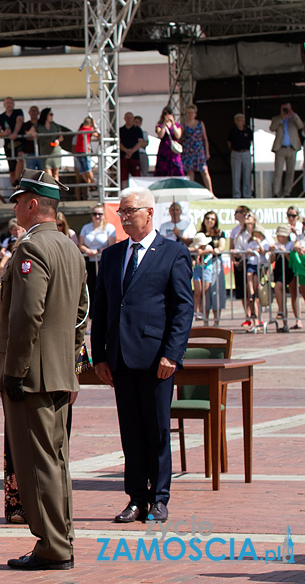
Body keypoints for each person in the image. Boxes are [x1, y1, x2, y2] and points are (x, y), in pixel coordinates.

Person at [0, 169, 87, 571]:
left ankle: (52, 546)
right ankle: (59, 536)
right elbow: (82, 312)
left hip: (33, 375)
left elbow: (27, 314)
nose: (14, 207)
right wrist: (70, 358)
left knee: (37, 461)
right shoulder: (69, 247)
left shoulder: (31, 249)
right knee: (56, 459)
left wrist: (15, 371)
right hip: (60, 371)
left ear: (33, 203)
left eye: (17, 201)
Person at [91, 187, 193, 525]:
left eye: (129, 211)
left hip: (156, 359)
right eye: (120, 212)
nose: (123, 217)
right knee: (131, 432)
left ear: (149, 213)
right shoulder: (112, 255)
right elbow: (102, 308)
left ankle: (159, 498)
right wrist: (99, 356)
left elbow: (182, 308)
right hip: (120, 359)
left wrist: (172, 354)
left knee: (157, 431)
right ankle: (136, 498)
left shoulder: (173, 253)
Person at [78, 204, 116, 304]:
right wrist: (87, 251)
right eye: (95, 214)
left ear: (104, 215)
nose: (97, 216)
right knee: (90, 285)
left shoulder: (109, 228)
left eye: (100, 214)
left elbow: (112, 246)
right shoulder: (86, 227)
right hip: (88, 261)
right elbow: (80, 244)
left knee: (103, 284)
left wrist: (98, 251)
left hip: (103, 261)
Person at [196, 211, 226, 325]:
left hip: (215, 262)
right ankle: (205, 320)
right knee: (205, 292)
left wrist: (217, 250)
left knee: (216, 290)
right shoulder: (200, 234)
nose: (210, 221)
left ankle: (216, 321)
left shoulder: (220, 233)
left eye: (213, 219)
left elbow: (222, 246)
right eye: (208, 218)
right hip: (202, 264)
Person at [269, 102, 304, 197]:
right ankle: (276, 192)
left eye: (287, 109)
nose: (286, 111)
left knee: (290, 171)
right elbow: (272, 128)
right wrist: (282, 118)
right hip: (280, 148)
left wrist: (293, 114)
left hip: (292, 148)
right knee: (278, 171)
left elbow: (301, 126)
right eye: (284, 108)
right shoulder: (276, 118)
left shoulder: (293, 119)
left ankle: (287, 192)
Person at [180, 105, 213, 193]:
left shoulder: (200, 123)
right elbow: (180, 139)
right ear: (186, 114)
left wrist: (207, 152)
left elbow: (205, 138)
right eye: (188, 113)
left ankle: (211, 192)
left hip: (199, 150)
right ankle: (191, 192)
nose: (190, 114)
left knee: (204, 171)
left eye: (192, 113)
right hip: (188, 151)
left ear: (195, 114)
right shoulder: (183, 125)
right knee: (190, 173)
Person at [0, 97, 26, 184]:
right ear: (4, 105)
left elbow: (19, 121)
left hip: (20, 140)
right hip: (8, 144)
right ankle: (14, 190)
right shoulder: (1, 117)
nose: (9, 105)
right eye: (7, 103)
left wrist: (15, 133)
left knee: (21, 156)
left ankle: (17, 179)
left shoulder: (18, 112)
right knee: (11, 168)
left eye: (11, 103)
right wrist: (4, 133)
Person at [271, 225, 295, 332]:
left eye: (281, 235)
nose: (279, 237)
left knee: (278, 287)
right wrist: (272, 251)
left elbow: (291, 259)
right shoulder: (277, 245)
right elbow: (272, 260)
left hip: (287, 269)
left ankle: (281, 309)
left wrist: (284, 251)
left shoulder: (290, 245)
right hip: (279, 269)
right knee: (281, 294)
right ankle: (284, 321)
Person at [227, 113, 253, 198]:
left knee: (247, 174)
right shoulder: (232, 131)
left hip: (245, 153)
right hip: (236, 153)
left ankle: (247, 195)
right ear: (235, 121)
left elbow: (250, 141)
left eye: (241, 120)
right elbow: (229, 143)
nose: (239, 122)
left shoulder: (248, 131)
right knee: (236, 175)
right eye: (238, 120)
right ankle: (236, 195)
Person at [35, 108, 64, 182]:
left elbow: (61, 137)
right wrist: (34, 134)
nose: (52, 116)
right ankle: (51, 189)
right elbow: (29, 132)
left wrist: (57, 140)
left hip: (55, 151)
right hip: (45, 151)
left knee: (56, 174)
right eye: (50, 114)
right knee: (48, 174)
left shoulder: (55, 125)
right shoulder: (39, 125)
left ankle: (56, 190)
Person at [154, 107, 184, 177]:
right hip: (164, 150)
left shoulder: (176, 125)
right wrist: (164, 124)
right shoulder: (159, 125)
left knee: (176, 168)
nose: (167, 115)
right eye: (165, 113)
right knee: (163, 169)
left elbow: (178, 135)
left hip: (173, 151)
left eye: (169, 113)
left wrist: (173, 124)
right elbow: (160, 135)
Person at [73, 116, 98, 198]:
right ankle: (93, 183)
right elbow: (97, 135)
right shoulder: (89, 129)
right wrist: (94, 126)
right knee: (88, 169)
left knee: (82, 171)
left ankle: (90, 184)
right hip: (84, 151)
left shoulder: (80, 130)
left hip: (77, 151)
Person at [119, 112, 147, 186]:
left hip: (134, 157)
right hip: (123, 157)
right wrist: (126, 150)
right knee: (123, 177)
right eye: (127, 118)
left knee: (136, 176)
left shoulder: (138, 130)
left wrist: (131, 151)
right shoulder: (121, 130)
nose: (129, 119)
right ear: (124, 119)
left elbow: (140, 142)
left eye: (130, 118)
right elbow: (118, 142)